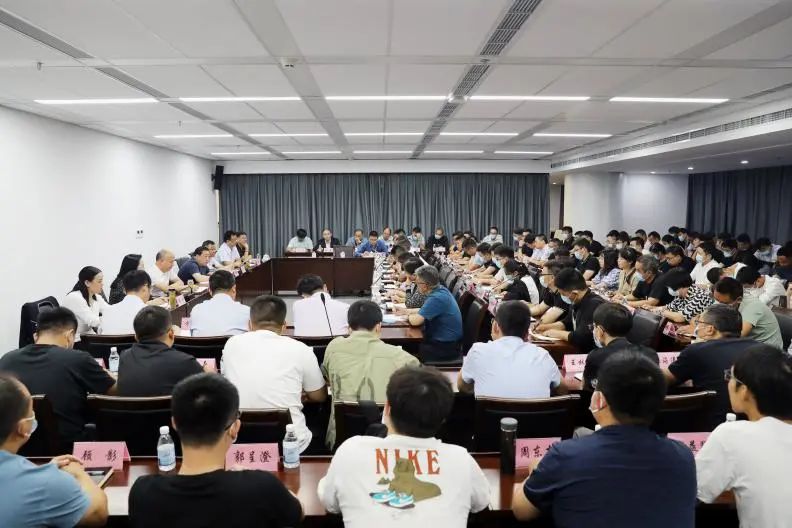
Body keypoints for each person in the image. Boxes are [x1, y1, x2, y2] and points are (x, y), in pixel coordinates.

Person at [512, 350, 696, 527]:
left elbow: (521, 510)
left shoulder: (566, 455)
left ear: (599, 400)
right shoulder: (683, 457)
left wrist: (537, 470)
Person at [317, 366, 490, 526]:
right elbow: (482, 502)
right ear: (443, 419)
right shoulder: (461, 460)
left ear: (387, 408)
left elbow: (329, 502)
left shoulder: (351, 451)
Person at [128, 373, 303, 528]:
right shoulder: (262, 487)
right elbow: (297, 513)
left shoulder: (142, 493)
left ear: (174, 424)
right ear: (234, 428)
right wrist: (251, 477)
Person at [695, 344, 792, 527]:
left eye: (730, 377)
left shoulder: (732, 436)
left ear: (745, 391)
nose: (728, 383)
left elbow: (692, 491)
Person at [0, 373, 109, 527]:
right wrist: (79, 473)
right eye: (31, 411)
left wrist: (42, 472)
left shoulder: (41, 480)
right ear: (23, 428)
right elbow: (97, 514)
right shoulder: (45, 486)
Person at [221, 295, 327, 452]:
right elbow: (320, 396)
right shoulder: (301, 349)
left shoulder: (231, 344)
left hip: (239, 438)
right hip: (291, 445)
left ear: (249, 324)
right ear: (284, 326)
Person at [0, 308, 115, 448]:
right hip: (69, 450)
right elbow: (115, 391)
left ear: (36, 336)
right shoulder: (78, 359)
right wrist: (106, 373)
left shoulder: (6, 360)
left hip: (17, 448)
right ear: (70, 335)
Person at [322, 300, 419, 450]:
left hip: (340, 443)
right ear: (379, 327)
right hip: (387, 444)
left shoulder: (333, 347)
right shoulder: (401, 357)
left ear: (349, 327)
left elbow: (327, 376)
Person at [664, 304, 759, 430]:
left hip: (711, 426)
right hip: (756, 424)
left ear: (710, 329)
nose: (697, 326)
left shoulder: (697, 351)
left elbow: (665, 379)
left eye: (699, 322)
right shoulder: (761, 349)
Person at [459, 301, 562, 398]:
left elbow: (462, 386)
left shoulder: (478, 351)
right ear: (527, 333)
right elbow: (562, 389)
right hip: (536, 412)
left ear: (495, 326)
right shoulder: (542, 356)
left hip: (490, 411)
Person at [118, 306, 206, 397]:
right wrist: (209, 374)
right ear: (171, 334)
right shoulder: (186, 362)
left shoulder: (124, 358)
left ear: (136, 337)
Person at [582, 303, 658, 391]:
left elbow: (586, 389)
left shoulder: (596, 356)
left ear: (599, 331)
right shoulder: (650, 354)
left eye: (593, 327)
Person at [536, 269, 605, 351]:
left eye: (563, 294)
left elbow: (582, 337)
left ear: (574, 293)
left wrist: (555, 333)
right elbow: (567, 323)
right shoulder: (576, 300)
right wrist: (545, 327)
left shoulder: (594, 304)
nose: (562, 297)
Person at [407, 266, 463, 363]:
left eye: (417, 283)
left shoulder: (437, 298)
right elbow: (426, 310)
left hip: (445, 347)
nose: (416, 285)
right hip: (445, 342)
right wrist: (407, 311)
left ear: (425, 285)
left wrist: (406, 316)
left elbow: (415, 321)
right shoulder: (440, 290)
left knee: (405, 348)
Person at [713, 277, 783, 349]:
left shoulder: (752, 307)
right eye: (717, 300)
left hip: (768, 349)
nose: (718, 305)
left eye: (724, 303)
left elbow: (737, 337)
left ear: (739, 299)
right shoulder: (725, 299)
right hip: (749, 344)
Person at [188, 270, 250, 337]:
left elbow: (187, 333)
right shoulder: (247, 311)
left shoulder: (195, 310)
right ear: (234, 289)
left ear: (210, 291)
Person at [101, 270, 155, 335]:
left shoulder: (107, 311)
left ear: (124, 290)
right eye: (150, 288)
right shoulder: (150, 314)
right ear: (145, 288)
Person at [62, 266, 110, 339]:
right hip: (75, 340)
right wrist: (109, 320)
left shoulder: (96, 296)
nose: (102, 284)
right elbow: (92, 320)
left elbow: (109, 310)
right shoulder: (74, 298)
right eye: (99, 281)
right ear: (87, 283)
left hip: (88, 337)